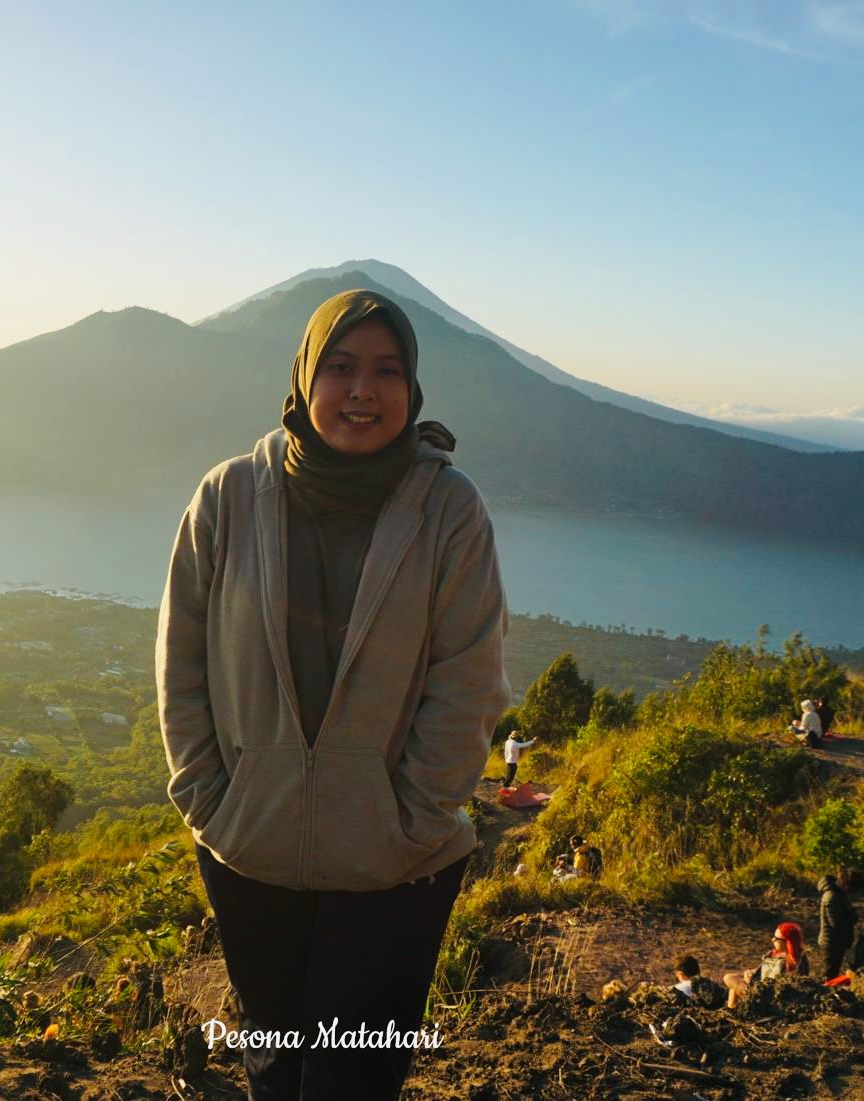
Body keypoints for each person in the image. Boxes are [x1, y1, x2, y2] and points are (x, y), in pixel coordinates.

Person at [157, 288, 511, 1101]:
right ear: (304, 377)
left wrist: (405, 823)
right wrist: (212, 800)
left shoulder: (448, 511)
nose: (363, 389)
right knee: (275, 1067)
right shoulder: (228, 497)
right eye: (341, 366)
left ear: (412, 389)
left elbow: (469, 680)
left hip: (396, 871)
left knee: (356, 1077)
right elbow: (181, 663)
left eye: (387, 370)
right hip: (251, 850)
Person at [724, 922, 808, 1008]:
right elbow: (763, 971)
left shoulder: (795, 961)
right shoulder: (773, 954)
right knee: (733, 979)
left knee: (729, 978)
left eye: (777, 938)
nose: (773, 940)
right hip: (759, 988)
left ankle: (751, 1004)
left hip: (768, 998)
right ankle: (732, 1009)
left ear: (787, 942)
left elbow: (788, 986)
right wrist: (749, 973)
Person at [816, 869, 857, 980]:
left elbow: (842, 913)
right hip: (831, 942)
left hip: (836, 941)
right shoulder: (832, 896)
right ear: (846, 884)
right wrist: (857, 915)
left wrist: (855, 911)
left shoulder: (837, 893)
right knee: (828, 976)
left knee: (831, 973)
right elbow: (837, 923)